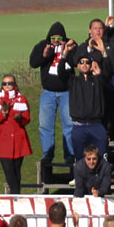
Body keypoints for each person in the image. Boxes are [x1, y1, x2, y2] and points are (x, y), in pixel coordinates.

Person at [29, 22, 76, 167]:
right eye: (53, 37)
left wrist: (65, 53)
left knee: (69, 124)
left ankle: (70, 155)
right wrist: (44, 56)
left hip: (66, 92)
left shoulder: (71, 45)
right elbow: (33, 63)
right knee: (45, 125)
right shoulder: (42, 45)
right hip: (48, 92)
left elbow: (76, 62)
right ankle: (47, 154)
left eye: (59, 37)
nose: (56, 40)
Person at [0, 74, 32, 194]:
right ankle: (16, 195)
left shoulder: (22, 98)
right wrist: (3, 113)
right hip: (3, 141)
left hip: (19, 140)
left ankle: (15, 196)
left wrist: (19, 118)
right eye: (5, 83)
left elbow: (27, 119)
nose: (7, 86)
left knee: (16, 171)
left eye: (10, 83)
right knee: (9, 172)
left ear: (15, 84)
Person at [68, 53, 110, 160]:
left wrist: (99, 73)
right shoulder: (73, 81)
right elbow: (61, 73)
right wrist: (64, 54)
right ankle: (80, 177)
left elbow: (107, 76)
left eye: (88, 62)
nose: (85, 64)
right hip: (79, 125)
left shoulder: (98, 80)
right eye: (81, 62)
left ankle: (101, 176)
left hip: (96, 124)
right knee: (80, 158)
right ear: (77, 65)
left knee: (102, 155)